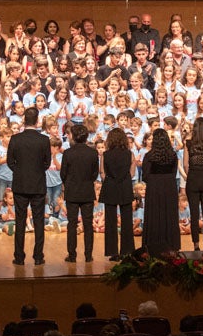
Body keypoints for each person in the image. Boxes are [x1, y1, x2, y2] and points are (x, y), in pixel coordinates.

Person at [8, 106, 52, 266]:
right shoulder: (44, 140)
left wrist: (20, 172)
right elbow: (47, 162)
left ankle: (19, 257)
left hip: (20, 184)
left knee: (20, 221)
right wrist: (36, 172)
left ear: (24, 120)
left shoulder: (15, 139)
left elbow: (10, 162)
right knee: (39, 221)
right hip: (38, 184)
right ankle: (38, 256)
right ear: (37, 120)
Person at [60, 123, 99, 262]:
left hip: (72, 192)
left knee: (72, 224)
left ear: (74, 137)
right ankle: (88, 255)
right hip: (87, 191)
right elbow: (94, 174)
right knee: (88, 224)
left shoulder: (68, 153)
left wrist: (69, 183)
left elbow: (63, 174)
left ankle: (72, 255)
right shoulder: (93, 153)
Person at [141, 128, 179, 255]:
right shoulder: (173, 155)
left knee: (154, 215)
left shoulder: (149, 156)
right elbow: (174, 173)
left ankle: (153, 245)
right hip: (169, 187)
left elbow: (145, 176)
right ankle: (171, 244)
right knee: (169, 215)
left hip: (154, 188)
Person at [182, 117, 203, 252]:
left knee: (194, 214)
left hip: (193, 179)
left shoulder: (189, 143)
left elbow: (185, 164)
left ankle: (196, 245)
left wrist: (192, 173)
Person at [100, 127, 135, 261]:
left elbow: (102, 173)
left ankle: (112, 252)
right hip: (125, 186)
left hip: (110, 186)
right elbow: (132, 173)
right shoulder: (129, 154)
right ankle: (127, 251)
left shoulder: (105, 155)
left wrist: (111, 179)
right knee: (127, 220)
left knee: (110, 221)